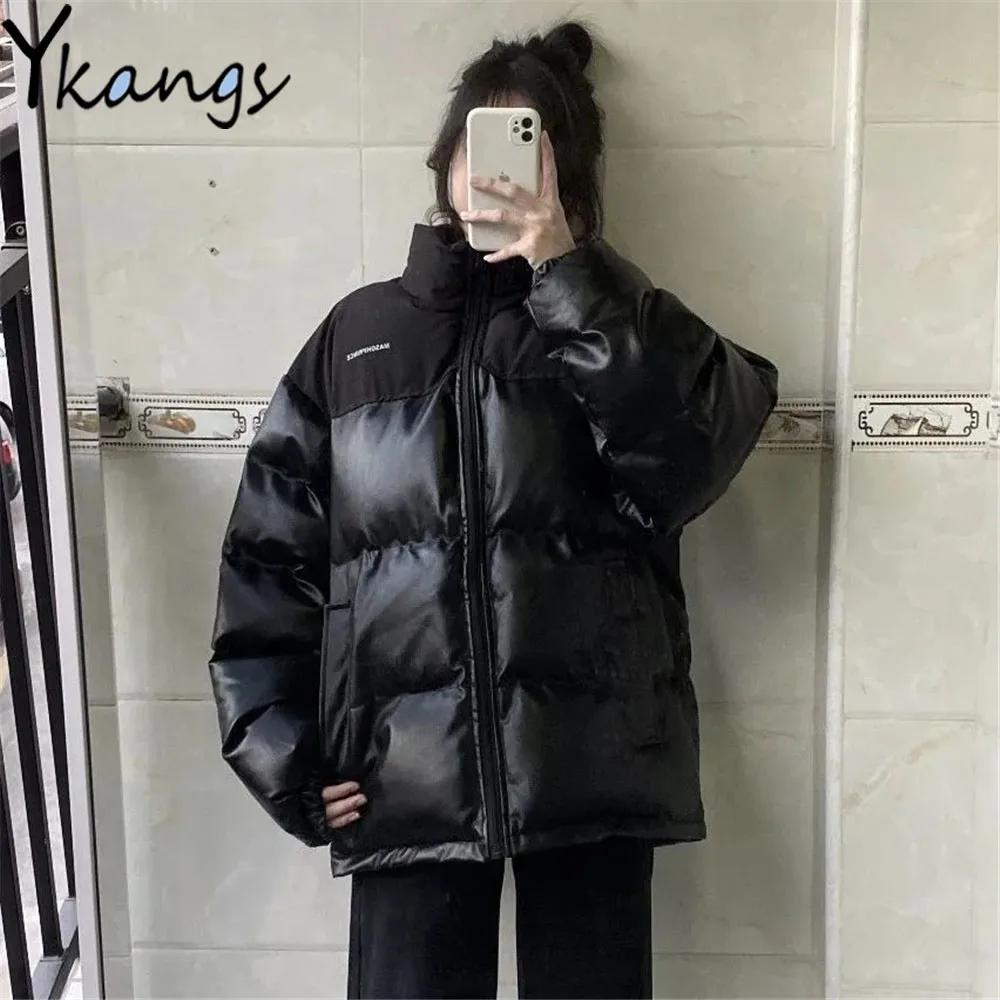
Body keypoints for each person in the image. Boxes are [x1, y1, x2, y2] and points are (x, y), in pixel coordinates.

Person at [209, 20, 778, 1000]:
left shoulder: (616, 316)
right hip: (401, 774)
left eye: (530, 150)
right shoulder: (357, 337)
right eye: (484, 142)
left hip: (590, 761)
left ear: (570, 177)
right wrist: (284, 754)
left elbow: (689, 463)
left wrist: (569, 274)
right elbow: (269, 558)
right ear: (446, 160)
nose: (498, 173)